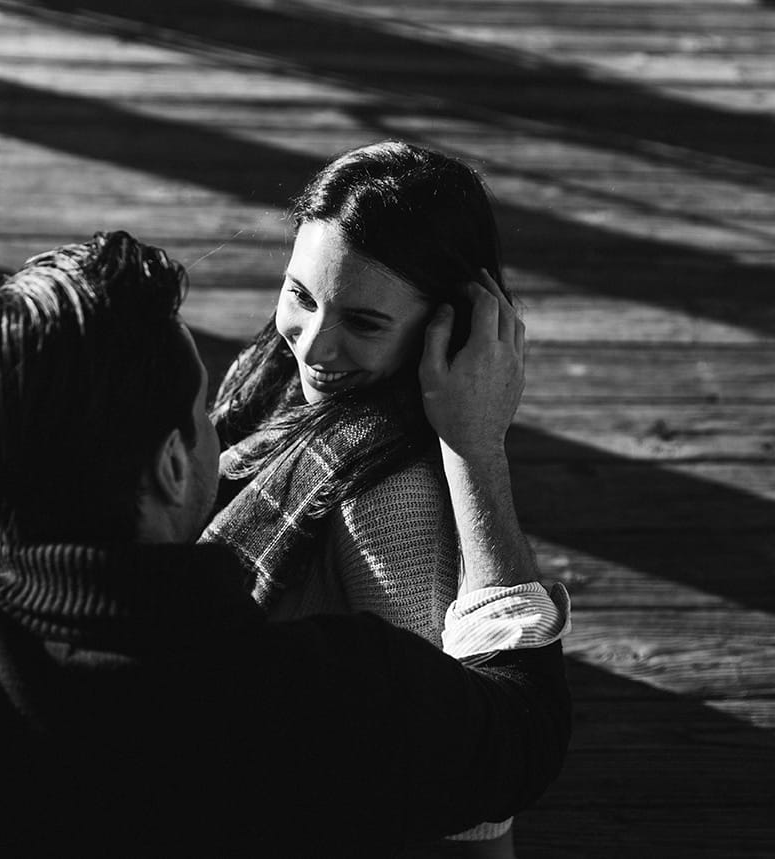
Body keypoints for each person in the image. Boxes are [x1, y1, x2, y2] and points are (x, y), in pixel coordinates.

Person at [0, 231, 569, 855]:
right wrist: (473, 444)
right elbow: (523, 722)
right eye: (206, 419)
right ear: (168, 468)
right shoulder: (327, 697)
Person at [202, 141, 523, 853]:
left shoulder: (388, 497)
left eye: (365, 322)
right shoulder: (269, 378)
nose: (313, 347)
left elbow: (462, 779)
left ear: (448, 328)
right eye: (301, 295)